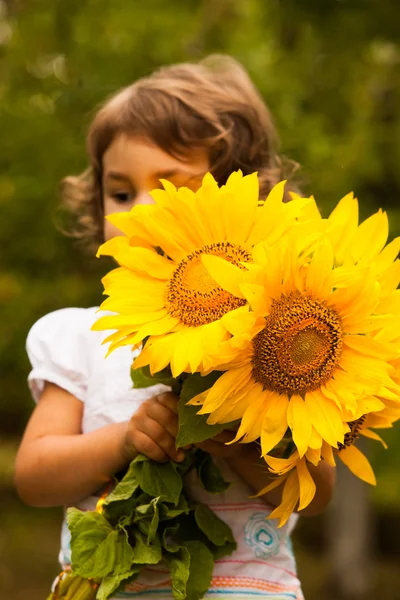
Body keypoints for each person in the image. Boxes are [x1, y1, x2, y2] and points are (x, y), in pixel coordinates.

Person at [15, 54, 335, 600]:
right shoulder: (82, 336)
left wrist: (237, 446)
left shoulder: (278, 342)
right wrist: (122, 441)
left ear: (240, 205)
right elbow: (34, 473)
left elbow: (316, 491)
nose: (140, 211)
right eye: (120, 192)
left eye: (170, 190)